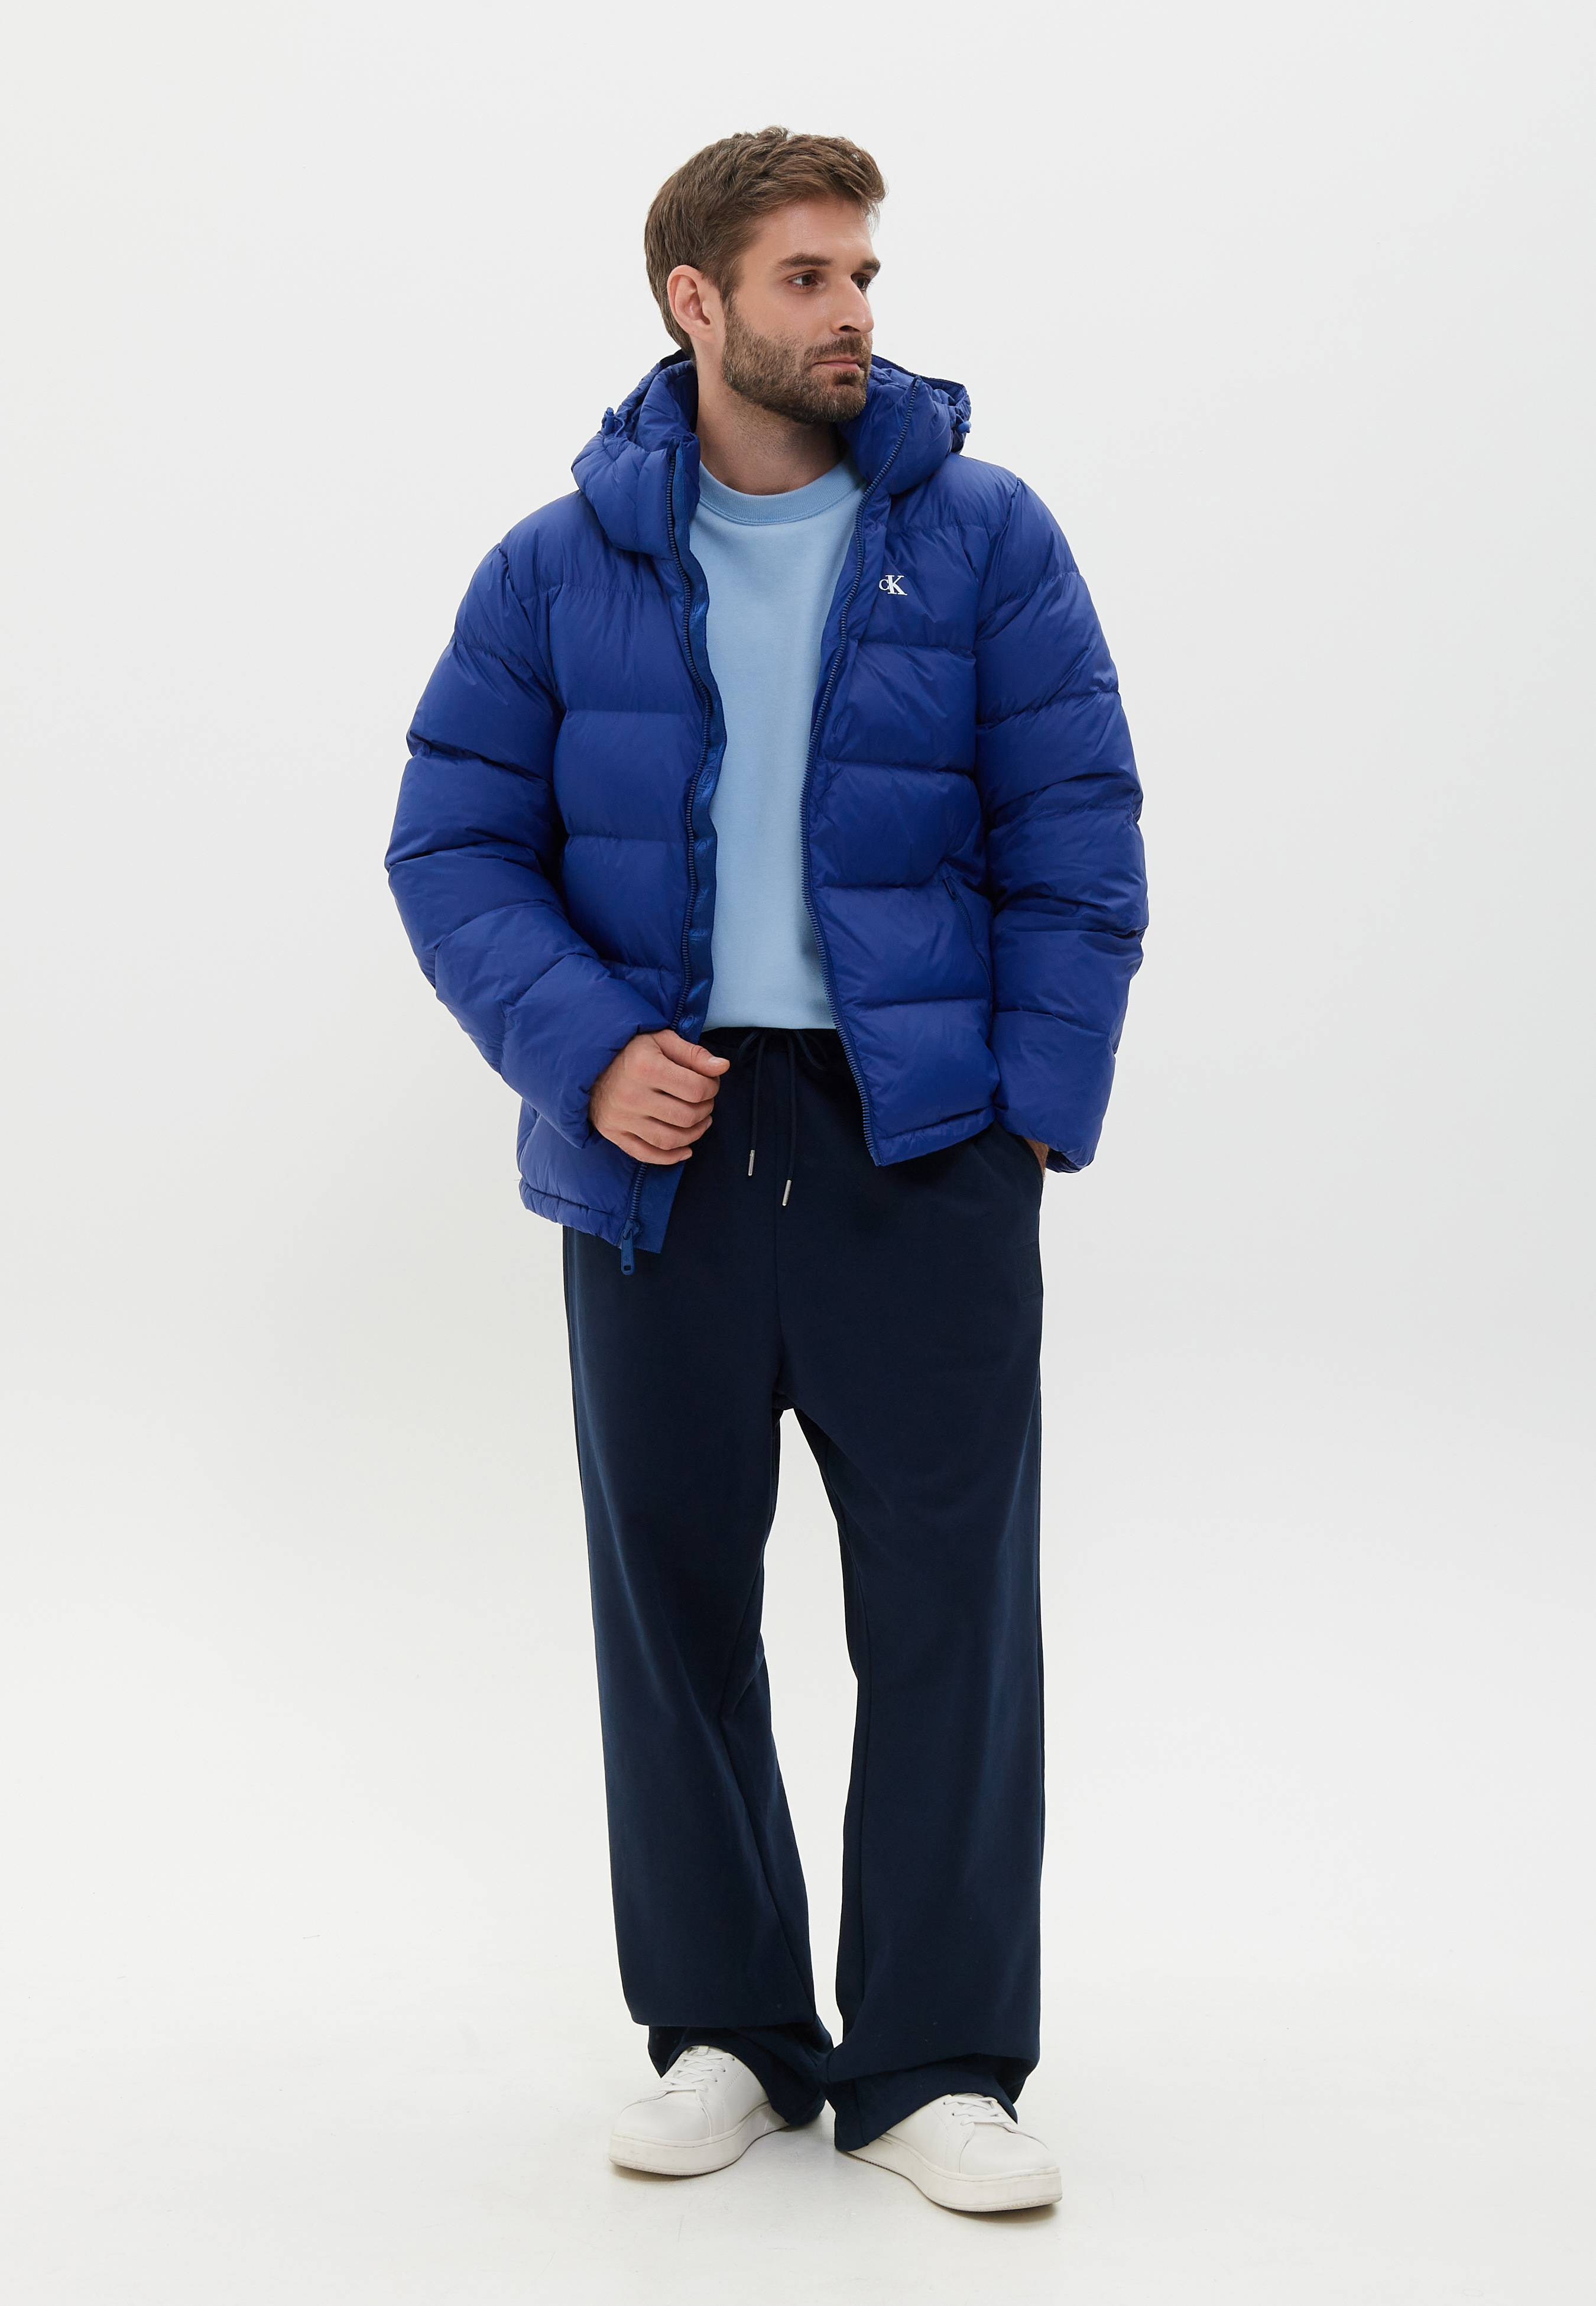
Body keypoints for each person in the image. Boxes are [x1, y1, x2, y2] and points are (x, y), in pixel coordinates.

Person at [386, 126, 1147, 2216]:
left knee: (950, 1613)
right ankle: (724, 2030)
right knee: (674, 1604)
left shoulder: (981, 537)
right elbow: (453, 842)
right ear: (692, 301)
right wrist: (582, 1047)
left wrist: (1022, 1113)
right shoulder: (556, 566)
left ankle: (933, 2063)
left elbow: (1078, 833)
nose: (852, 315)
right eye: (806, 277)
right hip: (661, 1154)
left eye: (863, 274)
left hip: (918, 1142)